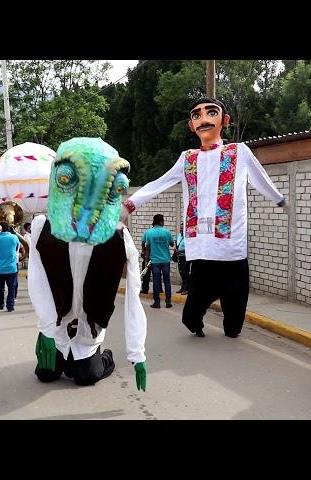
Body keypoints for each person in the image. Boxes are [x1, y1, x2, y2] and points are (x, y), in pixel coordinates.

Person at [121, 97, 288, 338]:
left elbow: (261, 178)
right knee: (191, 314)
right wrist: (131, 202)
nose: (204, 119)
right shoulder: (187, 158)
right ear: (191, 126)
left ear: (225, 121)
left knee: (233, 325)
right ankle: (196, 321)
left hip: (233, 248)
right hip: (203, 245)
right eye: (197, 115)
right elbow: (161, 182)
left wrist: (280, 199)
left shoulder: (238, 152)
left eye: (211, 113)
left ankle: (229, 323)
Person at [28, 137, 146, 391]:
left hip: (90, 321)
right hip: (58, 320)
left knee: (85, 376)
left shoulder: (118, 237)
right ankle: (62, 350)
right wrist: (47, 330)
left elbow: (134, 293)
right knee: (46, 374)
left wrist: (137, 354)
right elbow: (37, 281)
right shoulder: (42, 228)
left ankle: (103, 357)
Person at [144, 214, 174, 309]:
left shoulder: (149, 232)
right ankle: (168, 302)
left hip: (155, 261)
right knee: (167, 281)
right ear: (161, 221)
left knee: (156, 282)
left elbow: (147, 248)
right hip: (166, 260)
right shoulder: (167, 232)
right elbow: (172, 244)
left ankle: (157, 303)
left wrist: (146, 261)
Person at [0, 221, 20, 312]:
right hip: (12, 268)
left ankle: (0, 304)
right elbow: (16, 248)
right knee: (11, 288)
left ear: (0, 228)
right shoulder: (14, 237)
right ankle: (10, 306)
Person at [175, 221, 190, 295]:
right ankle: (183, 287)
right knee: (181, 272)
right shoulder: (179, 236)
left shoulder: (187, 237)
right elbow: (177, 244)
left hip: (185, 257)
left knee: (185, 272)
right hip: (179, 257)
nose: (181, 229)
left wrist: (181, 250)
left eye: (182, 228)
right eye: (181, 228)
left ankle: (187, 288)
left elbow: (189, 247)